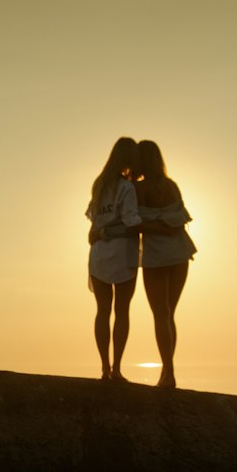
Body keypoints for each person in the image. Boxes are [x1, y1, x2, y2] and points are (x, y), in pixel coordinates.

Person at [133, 140, 196, 389]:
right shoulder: (171, 186)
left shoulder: (138, 188)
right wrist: (165, 227)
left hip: (158, 256)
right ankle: (168, 372)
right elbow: (180, 221)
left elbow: (133, 222)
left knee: (161, 314)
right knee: (169, 315)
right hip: (180, 252)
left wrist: (152, 227)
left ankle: (168, 375)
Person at [86, 137, 142, 381]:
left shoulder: (99, 186)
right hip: (122, 253)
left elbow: (93, 220)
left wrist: (103, 231)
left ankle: (104, 367)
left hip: (99, 253)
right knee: (122, 310)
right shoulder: (126, 188)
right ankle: (117, 368)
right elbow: (132, 222)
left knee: (102, 311)